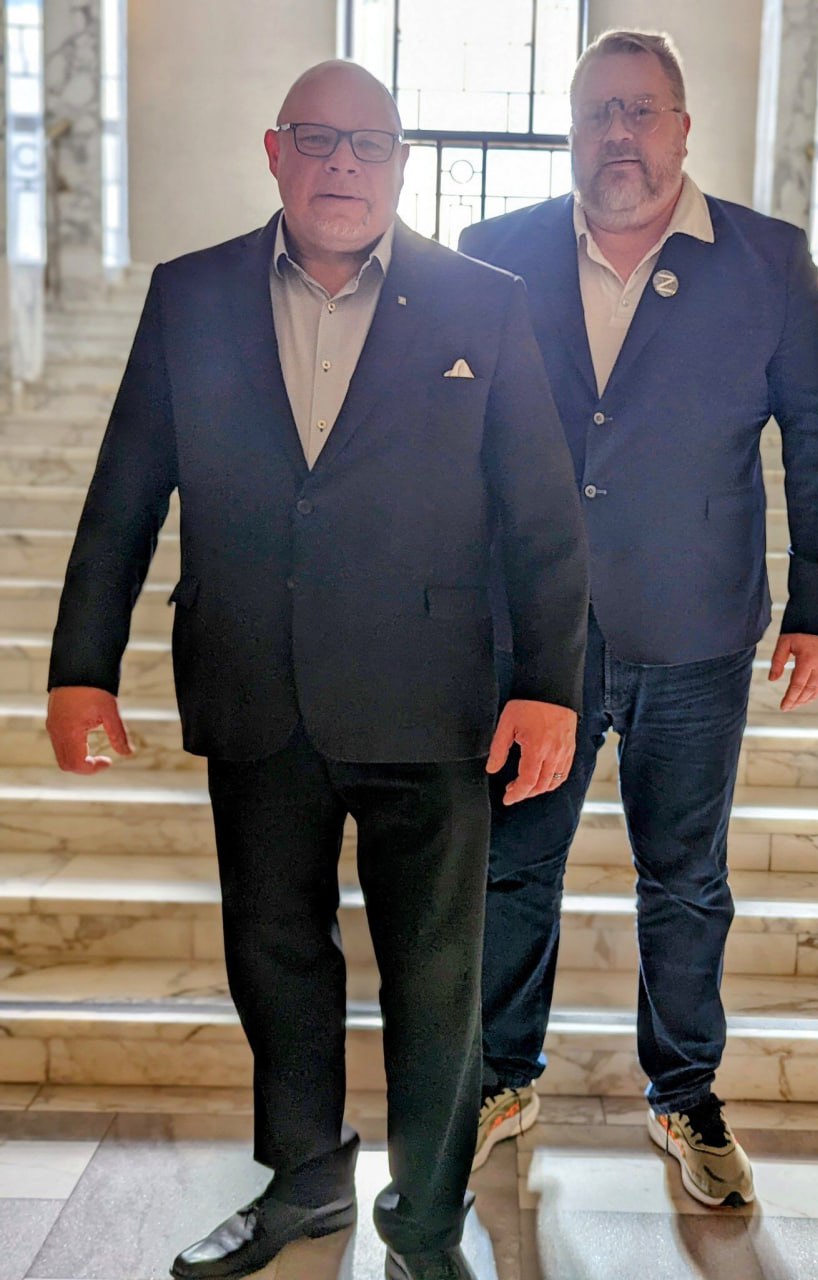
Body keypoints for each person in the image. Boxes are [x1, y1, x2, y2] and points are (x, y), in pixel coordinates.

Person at [46, 60, 588, 1280]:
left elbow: (543, 512)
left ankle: (427, 1221)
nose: (344, 163)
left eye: (370, 143)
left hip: (432, 700)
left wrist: (550, 682)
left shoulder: (483, 304)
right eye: (318, 139)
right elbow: (126, 489)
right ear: (275, 151)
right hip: (255, 688)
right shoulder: (191, 295)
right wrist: (82, 665)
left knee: (435, 978)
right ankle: (303, 1179)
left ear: (401, 163)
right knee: (276, 954)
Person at [460, 29, 818, 1208]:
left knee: (685, 879)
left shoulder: (767, 261)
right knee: (512, 870)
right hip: (532, 639)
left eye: (642, 110)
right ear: (571, 130)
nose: (619, 133)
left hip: (695, 632)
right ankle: (499, 1078)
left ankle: (684, 1092)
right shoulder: (493, 255)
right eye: (598, 111)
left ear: (683, 128)